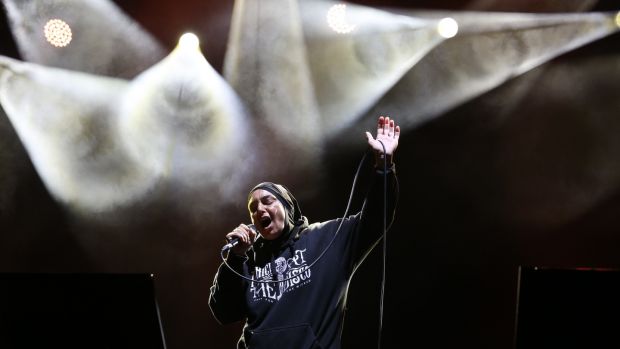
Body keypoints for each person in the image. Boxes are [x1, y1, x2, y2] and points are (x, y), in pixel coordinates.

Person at [208, 116, 400, 349]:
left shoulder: (327, 239)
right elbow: (223, 312)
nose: (260, 210)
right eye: (253, 209)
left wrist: (383, 168)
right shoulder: (247, 264)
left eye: (267, 201)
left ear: (287, 206)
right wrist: (236, 258)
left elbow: (375, 219)